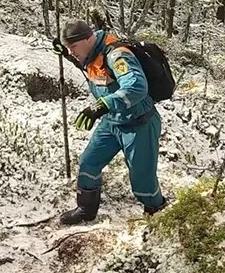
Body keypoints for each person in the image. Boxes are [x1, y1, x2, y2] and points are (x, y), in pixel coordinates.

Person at [51, 20, 166, 224]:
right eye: (70, 48)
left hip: (140, 123)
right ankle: (86, 209)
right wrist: (68, 55)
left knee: (142, 179)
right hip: (112, 121)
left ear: (88, 39)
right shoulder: (91, 53)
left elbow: (137, 87)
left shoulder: (117, 55)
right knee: (88, 162)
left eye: (73, 47)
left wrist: (102, 105)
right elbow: (89, 66)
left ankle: (156, 211)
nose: (73, 51)